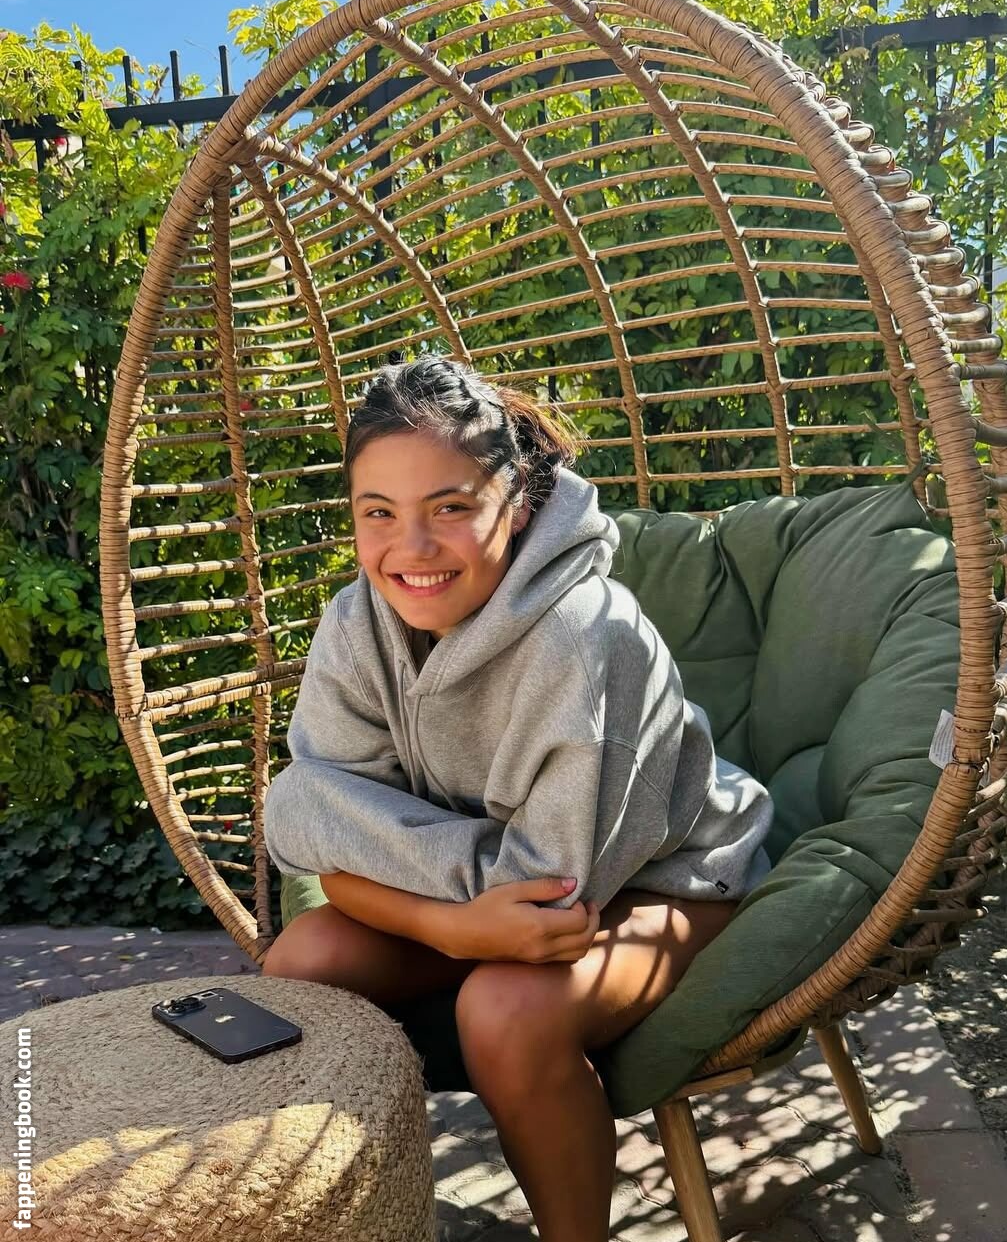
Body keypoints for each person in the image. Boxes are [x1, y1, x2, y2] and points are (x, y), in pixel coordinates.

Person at [261, 353, 775, 1242]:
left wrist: (347, 832)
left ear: (520, 502)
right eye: (378, 512)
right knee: (305, 959)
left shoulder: (586, 637)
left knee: (505, 1011)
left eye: (450, 508)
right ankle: (346, 1218)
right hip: (488, 891)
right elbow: (306, 831)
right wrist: (449, 925)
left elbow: (550, 897)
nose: (412, 548)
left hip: (664, 879)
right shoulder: (357, 624)